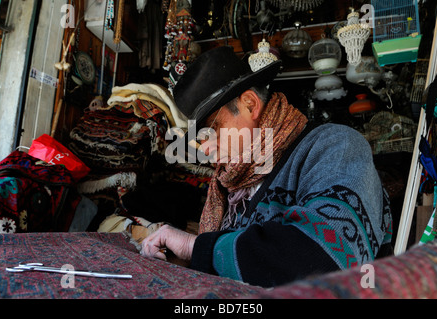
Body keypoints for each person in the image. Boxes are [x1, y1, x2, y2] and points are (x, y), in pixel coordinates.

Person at [141, 46, 393, 288]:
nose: (205, 149)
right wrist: (188, 260)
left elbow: (326, 258)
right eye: (200, 138)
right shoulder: (233, 182)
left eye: (211, 129)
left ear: (250, 104)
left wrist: (196, 248)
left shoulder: (336, 146)